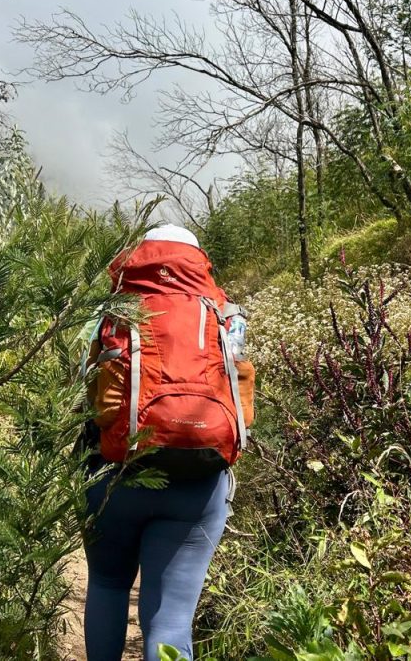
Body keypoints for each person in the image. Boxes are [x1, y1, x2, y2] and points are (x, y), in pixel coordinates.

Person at [80, 224, 254, 661]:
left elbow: (81, 387)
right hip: (198, 482)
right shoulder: (224, 311)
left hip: (116, 475)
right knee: (171, 620)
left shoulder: (110, 308)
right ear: (198, 260)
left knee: (108, 583)